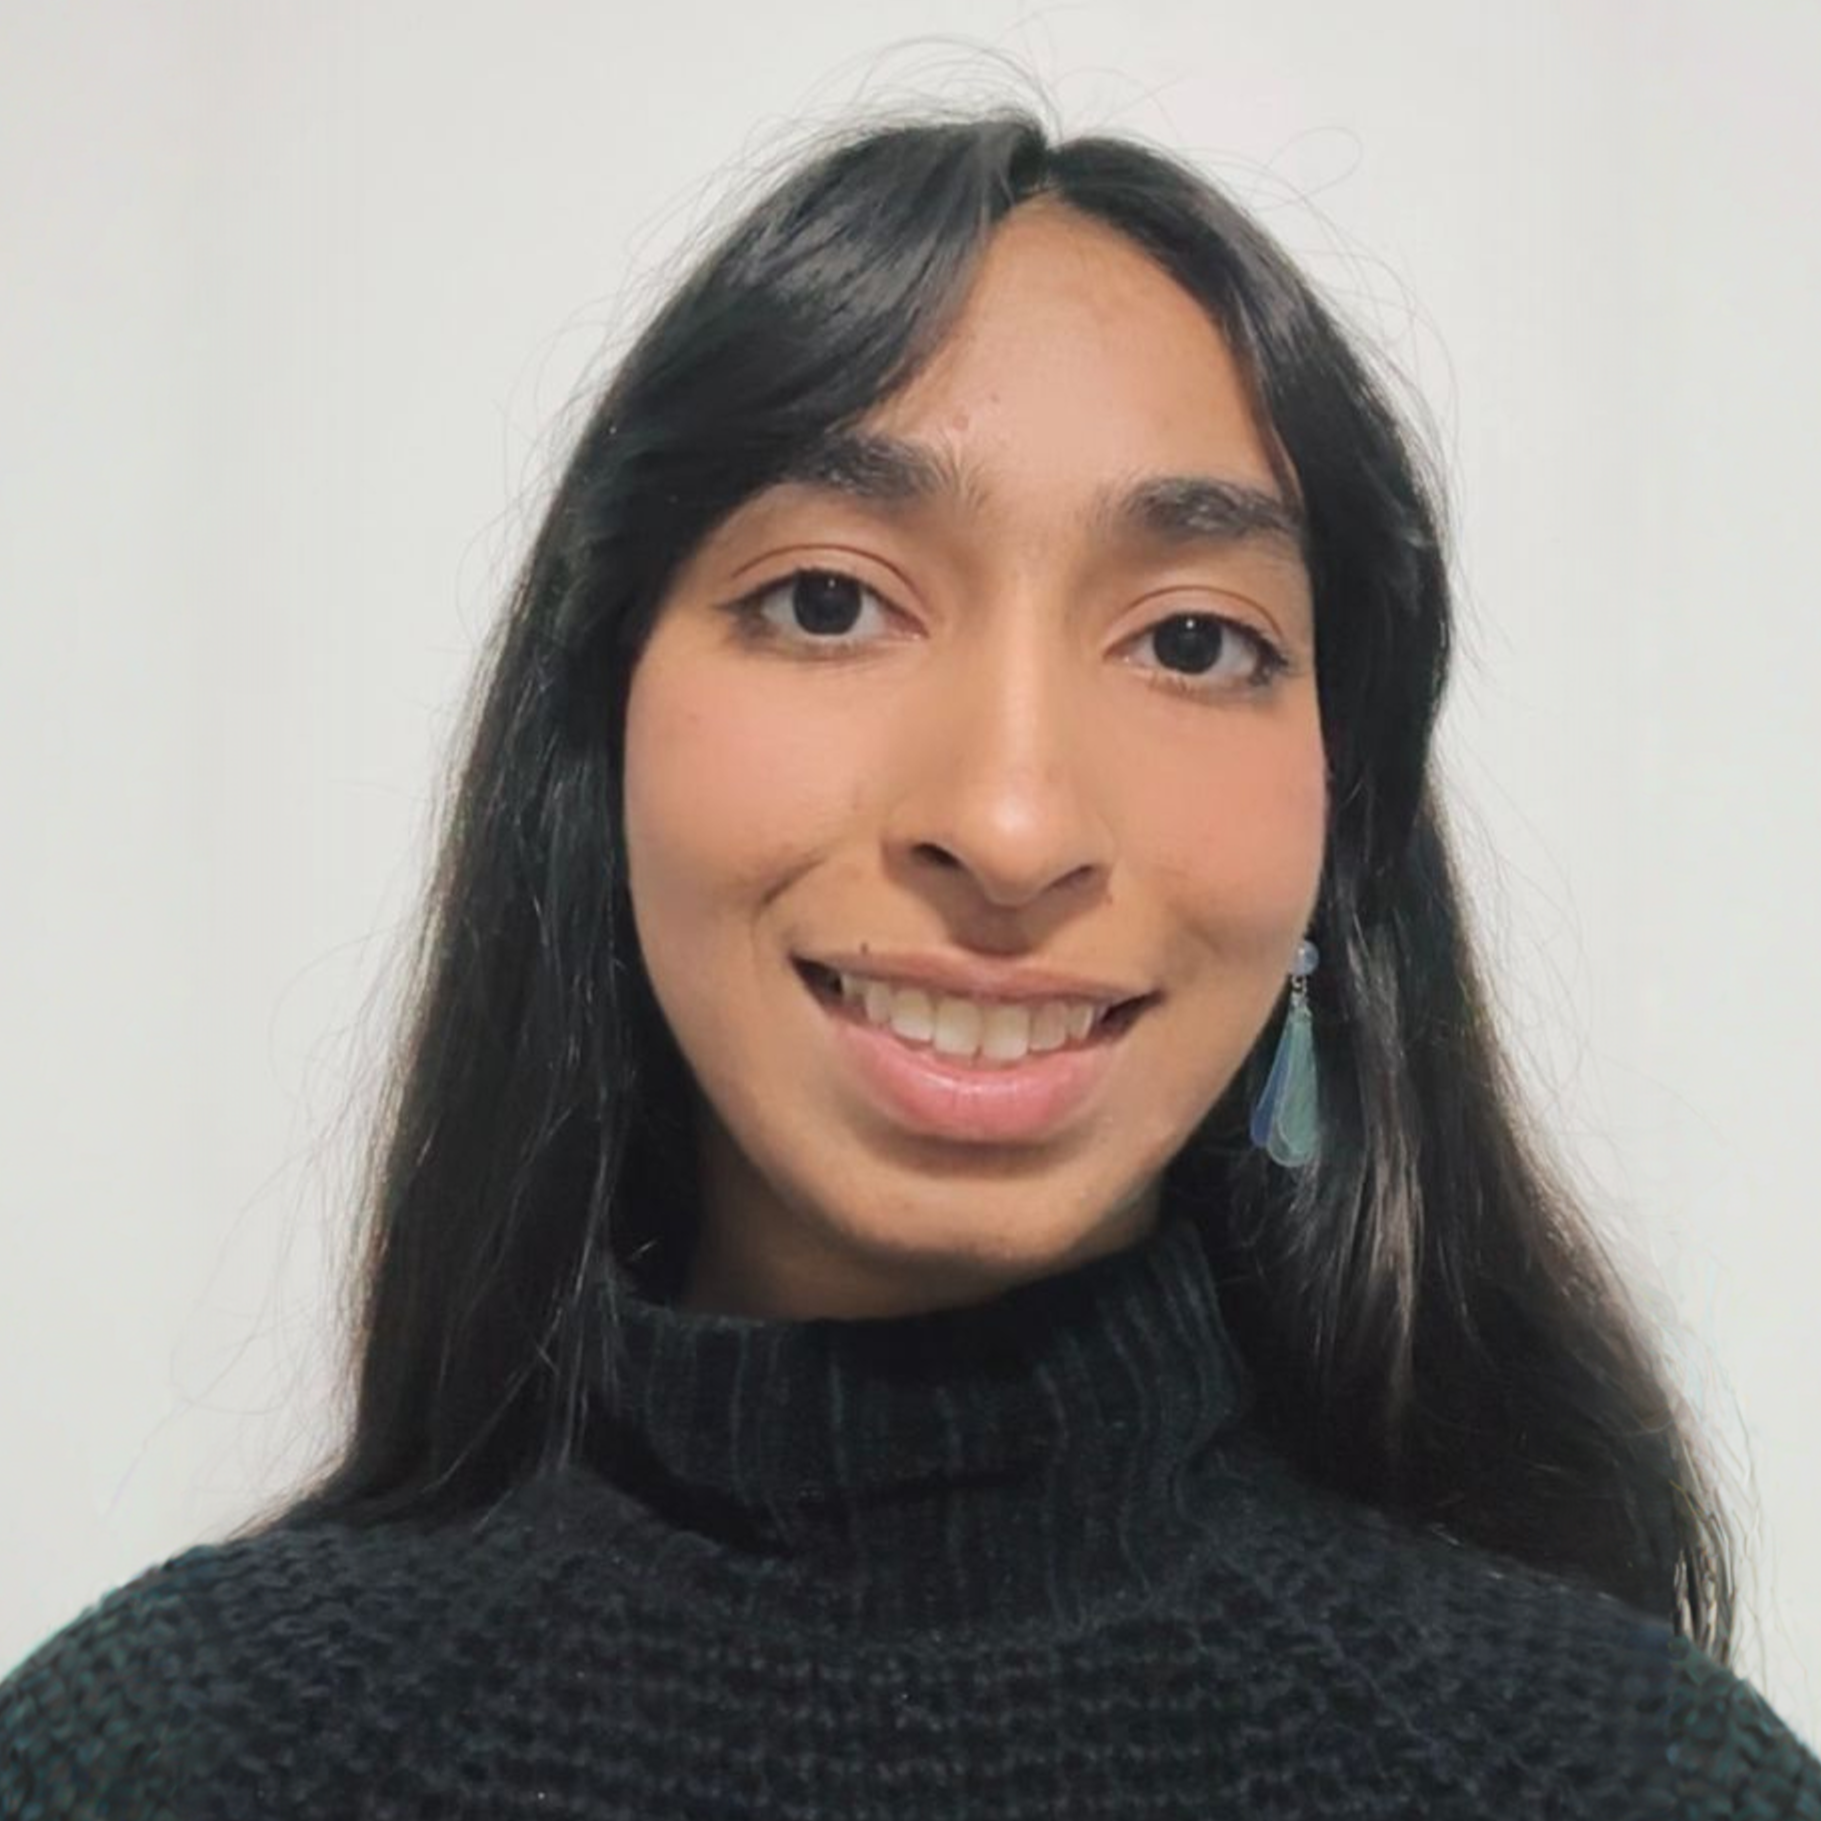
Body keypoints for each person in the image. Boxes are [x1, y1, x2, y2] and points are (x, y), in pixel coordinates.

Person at [3, 105, 1818, 1819]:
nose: (1013, 823)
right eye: (827, 601)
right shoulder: (172, 1759)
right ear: (601, 741)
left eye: (1193, 638)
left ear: (1343, 832)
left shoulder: (1621, 1774)